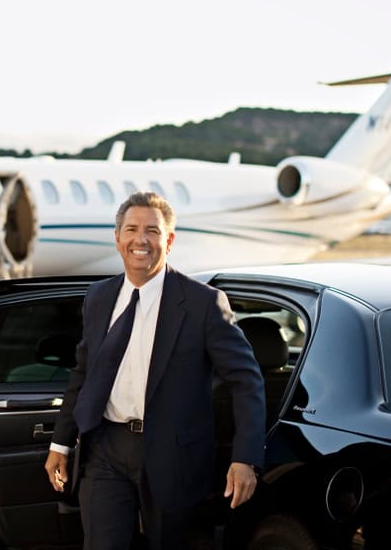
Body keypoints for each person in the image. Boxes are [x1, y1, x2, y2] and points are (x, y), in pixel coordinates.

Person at [44, 191, 266, 549]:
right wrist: (61, 442)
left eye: (152, 230)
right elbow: (84, 373)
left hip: (173, 453)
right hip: (105, 445)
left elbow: (247, 381)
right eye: (131, 229)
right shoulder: (98, 297)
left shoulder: (203, 303)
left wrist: (246, 457)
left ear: (169, 240)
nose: (140, 239)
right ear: (118, 238)